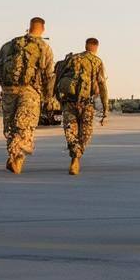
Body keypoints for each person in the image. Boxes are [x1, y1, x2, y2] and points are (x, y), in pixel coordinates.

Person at [0, 18, 55, 174]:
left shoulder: (9, 45)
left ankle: (13, 156)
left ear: (29, 27)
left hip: (8, 91)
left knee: (12, 127)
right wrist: (48, 97)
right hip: (29, 92)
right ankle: (17, 157)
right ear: (42, 29)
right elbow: (49, 75)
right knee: (25, 126)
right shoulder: (44, 47)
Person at [55, 38, 108, 176]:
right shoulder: (97, 62)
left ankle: (74, 156)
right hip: (87, 103)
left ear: (85, 45)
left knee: (70, 131)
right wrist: (105, 107)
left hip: (69, 101)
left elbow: (58, 77)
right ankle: (76, 158)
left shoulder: (72, 59)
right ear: (96, 47)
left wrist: (58, 98)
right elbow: (102, 85)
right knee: (85, 133)